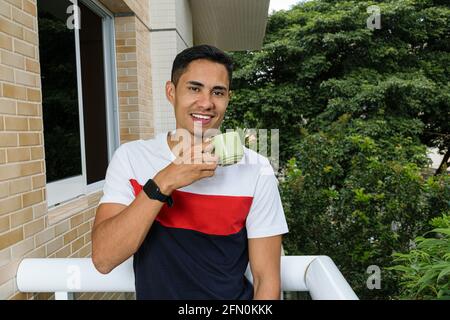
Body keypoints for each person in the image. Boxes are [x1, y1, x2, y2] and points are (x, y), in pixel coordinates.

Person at [92, 45, 289, 300]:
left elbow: (266, 281)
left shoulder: (257, 169)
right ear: (171, 92)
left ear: (228, 97)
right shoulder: (131, 158)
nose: (206, 103)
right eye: (194, 88)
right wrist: (166, 180)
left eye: (217, 92)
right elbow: (104, 258)